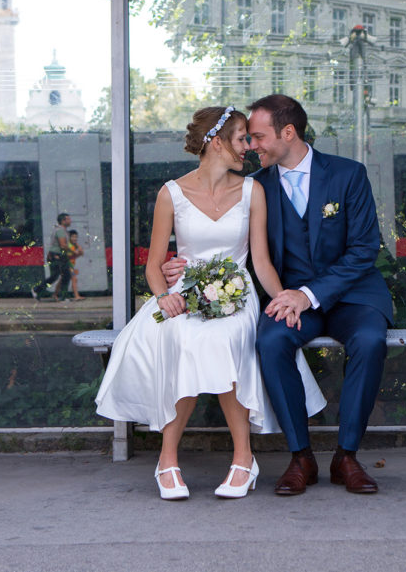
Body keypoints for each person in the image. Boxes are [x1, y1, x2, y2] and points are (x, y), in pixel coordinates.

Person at [165, 94, 393, 496]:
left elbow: (363, 249)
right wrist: (181, 267)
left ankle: (347, 456)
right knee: (270, 341)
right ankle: (300, 456)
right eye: (247, 139)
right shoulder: (254, 187)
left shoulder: (348, 174)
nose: (251, 146)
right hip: (285, 298)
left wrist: (309, 293)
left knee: (371, 340)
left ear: (288, 133)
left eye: (257, 136)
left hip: (353, 296)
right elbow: (231, 242)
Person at [96, 106, 324, 501]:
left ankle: (243, 457)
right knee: (181, 337)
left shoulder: (254, 191)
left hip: (238, 290)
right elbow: (153, 266)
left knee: (224, 339)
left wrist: (285, 298)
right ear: (216, 143)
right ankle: (167, 458)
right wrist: (164, 296)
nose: (248, 148)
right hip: (184, 291)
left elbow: (261, 261)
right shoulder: (171, 193)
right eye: (241, 140)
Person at [31, 213, 73, 302]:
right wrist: (73, 249)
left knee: (64, 275)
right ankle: (37, 290)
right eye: (68, 219)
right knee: (56, 275)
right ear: (63, 221)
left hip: (59, 255)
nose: (70, 221)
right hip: (57, 256)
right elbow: (62, 245)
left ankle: (62, 296)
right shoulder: (60, 231)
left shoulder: (62, 230)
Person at [66, 229, 85, 300]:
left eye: (76, 237)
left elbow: (81, 253)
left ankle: (55, 294)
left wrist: (78, 248)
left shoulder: (73, 245)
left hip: (71, 265)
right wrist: (77, 254)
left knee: (63, 280)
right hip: (68, 265)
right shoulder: (69, 246)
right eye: (73, 237)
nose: (75, 238)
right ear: (69, 237)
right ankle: (76, 296)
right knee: (74, 279)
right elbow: (69, 257)